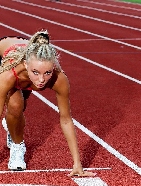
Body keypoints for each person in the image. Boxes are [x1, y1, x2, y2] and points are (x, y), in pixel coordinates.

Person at [0, 30, 96, 177]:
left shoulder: (59, 79)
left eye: (47, 73)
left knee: (20, 110)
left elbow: (66, 119)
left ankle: (12, 126)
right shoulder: (8, 75)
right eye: (36, 72)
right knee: (15, 106)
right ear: (26, 64)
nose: (42, 80)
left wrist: (78, 165)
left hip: (25, 72)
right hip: (5, 57)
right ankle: (18, 146)